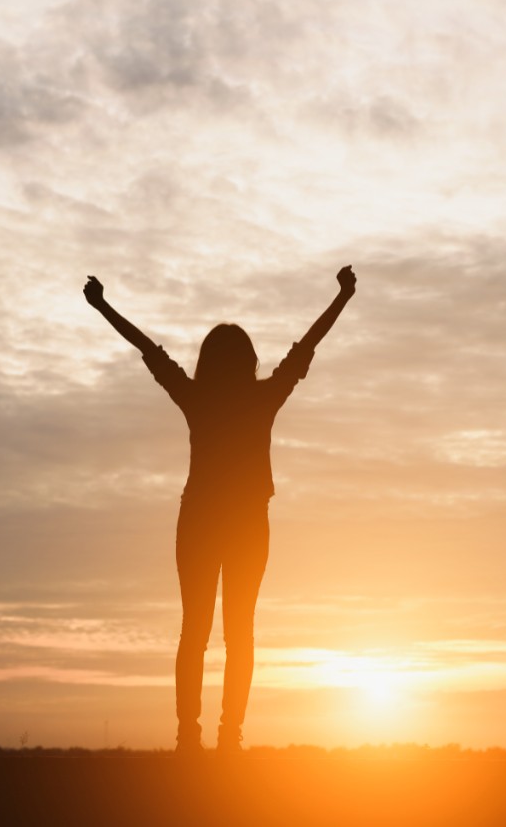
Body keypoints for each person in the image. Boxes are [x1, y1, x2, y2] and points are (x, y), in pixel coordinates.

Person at [83, 266, 357, 755]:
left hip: (204, 522)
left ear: (206, 361)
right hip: (245, 524)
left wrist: (103, 306)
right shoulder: (261, 397)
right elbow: (306, 347)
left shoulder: (199, 396)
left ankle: (192, 736)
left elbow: (149, 350)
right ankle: (226, 735)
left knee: (197, 630)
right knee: (237, 632)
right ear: (249, 361)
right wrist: (342, 297)